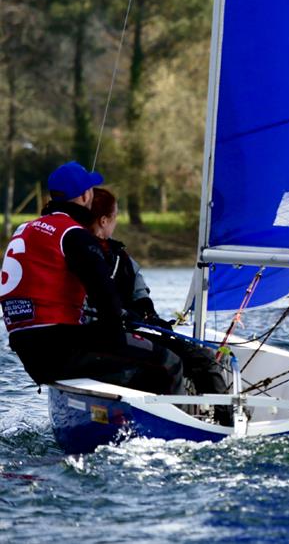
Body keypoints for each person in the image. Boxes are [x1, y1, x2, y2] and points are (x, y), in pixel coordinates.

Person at [0, 162, 182, 395]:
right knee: (168, 362)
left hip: (26, 350)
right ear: (86, 195)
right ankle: (185, 429)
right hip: (60, 348)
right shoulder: (74, 235)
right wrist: (131, 329)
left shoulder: (25, 229)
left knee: (133, 358)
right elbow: (108, 304)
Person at [88, 187, 232, 425]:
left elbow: (141, 297)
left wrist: (148, 315)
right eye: (115, 218)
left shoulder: (121, 259)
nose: (115, 223)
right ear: (104, 220)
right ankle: (180, 422)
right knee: (168, 362)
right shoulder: (77, 253)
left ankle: (225, 425)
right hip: (100, 337)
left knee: (203, 357)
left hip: (133, 331)